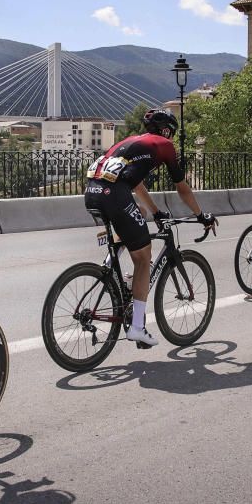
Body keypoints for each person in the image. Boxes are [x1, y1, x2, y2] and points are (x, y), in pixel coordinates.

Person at [84, 107, 216, 347]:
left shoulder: (129, 142)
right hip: (114, 195)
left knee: (140, 214)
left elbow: (135, 184)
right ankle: (137, 327)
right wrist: (201, 215)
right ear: (167, 130)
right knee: (144, 258)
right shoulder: (163, 145)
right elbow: (183, 188)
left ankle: (113, 271)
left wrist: (155, 212)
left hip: (92, 193)